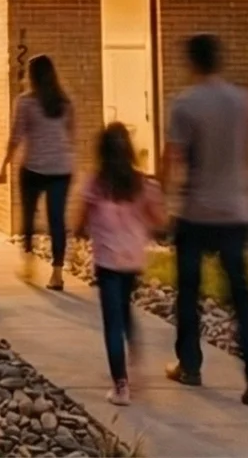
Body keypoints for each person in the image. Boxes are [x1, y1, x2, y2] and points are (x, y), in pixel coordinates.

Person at [161, 33, 248, 407]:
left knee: (189, 291)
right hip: (237, 210)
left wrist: (164, 199)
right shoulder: (242, 101)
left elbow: (174, 158)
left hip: (196, 211)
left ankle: (189, 364)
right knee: (242, 295)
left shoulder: (185, 105)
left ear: (192, 62)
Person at [72, 122, 167, 405]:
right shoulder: (142, 184)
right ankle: (134, 355)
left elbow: (78, 220)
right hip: (132, 261)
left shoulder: (95, 184)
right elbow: (160, 220)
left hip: (108, 262)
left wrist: (79, 231)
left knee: (112, 320)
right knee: (125, 310)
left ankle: (121, 385)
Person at [0, 53, 77, 290]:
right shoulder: (65, 103)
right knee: (56, 220)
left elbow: (16, 136)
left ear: (32, 77)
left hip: (33, 167)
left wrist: (4, 163)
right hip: (62, 168)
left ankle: (28, 264)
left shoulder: (25, 102)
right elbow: (70, 134)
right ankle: (57, 274)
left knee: (29, 215)